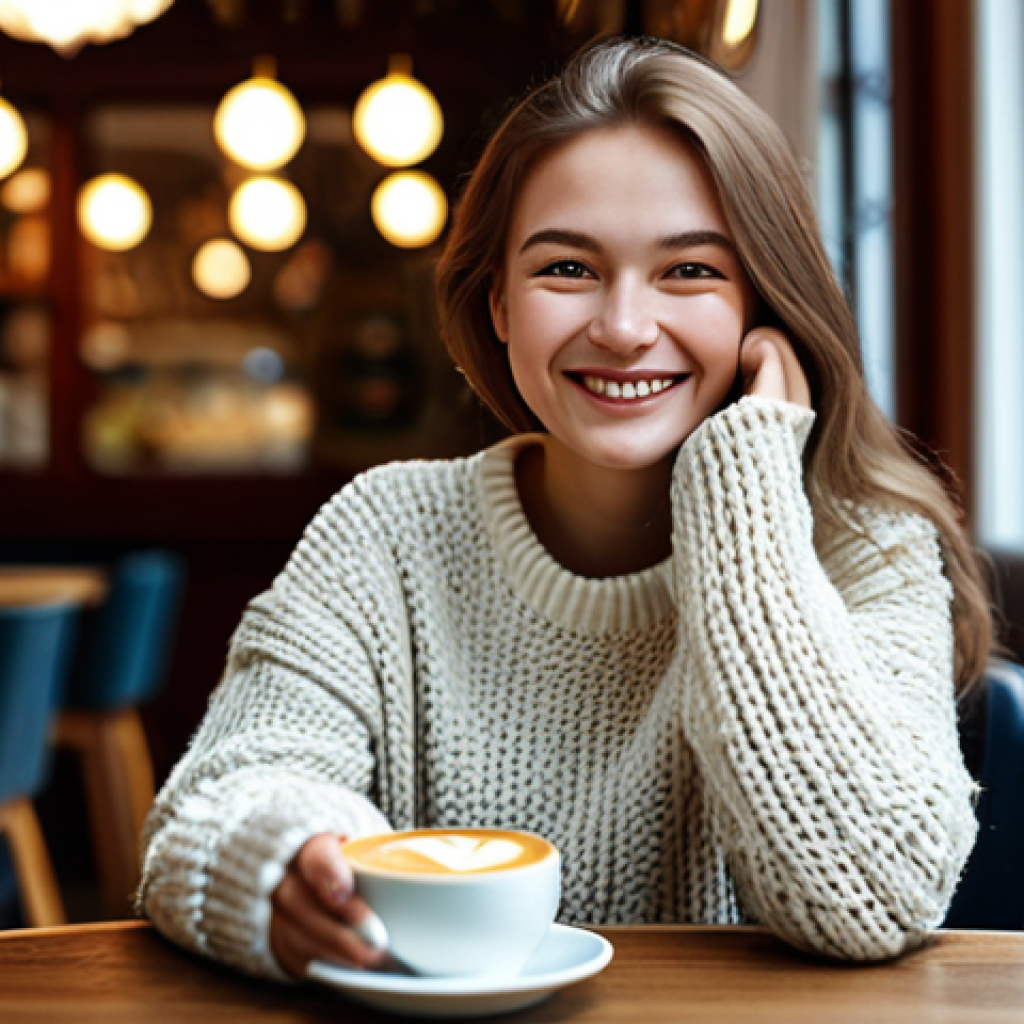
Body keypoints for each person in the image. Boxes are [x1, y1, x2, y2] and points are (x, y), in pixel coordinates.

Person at [139, 36, 992, 981]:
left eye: (691, 272)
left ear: (768, 306)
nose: (624, 329)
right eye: (567, 270)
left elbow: (870, 896)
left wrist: (748, 490)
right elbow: (213, 802)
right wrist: (287, 859)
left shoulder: (864, 547)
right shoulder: (385, 533)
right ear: (497, 299)